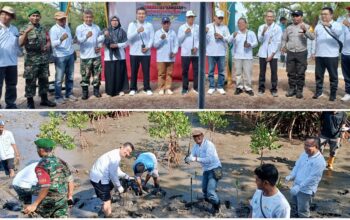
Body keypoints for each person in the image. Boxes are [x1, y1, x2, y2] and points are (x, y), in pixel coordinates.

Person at [23, 138, 74, 218]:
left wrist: (35, 204)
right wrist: (70, 196)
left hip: (48, 202)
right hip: (62, 200)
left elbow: (45, 186)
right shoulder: (61, 161)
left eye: (37, 149)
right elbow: (70, 180)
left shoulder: (42, 165)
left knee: (34, 214)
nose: (37, 151)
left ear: (41, 150)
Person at [19, 9, 56, 109]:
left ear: (40, 17)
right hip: (31, 61)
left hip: (43, 59)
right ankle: (30, 102)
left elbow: (48, 39)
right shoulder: (24, 28)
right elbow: (21, 43)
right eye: (33, 15)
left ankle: (44, 100)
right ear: (29, 17)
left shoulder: (43, 28)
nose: (35, 18)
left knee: (44, 80)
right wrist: (26, 33)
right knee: (30, 81)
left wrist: (48, 45)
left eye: (37, 16)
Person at [89, 142, 134, 217]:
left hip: (100, 176)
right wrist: (119, 186)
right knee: (107, 202)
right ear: (122, 147)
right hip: (99, 179)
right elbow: (113, 174)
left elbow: (116, 170)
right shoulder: (115, 157)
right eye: (127, 150)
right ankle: (108, 214)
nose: (128, 154)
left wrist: (126, 176)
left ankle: (105, 206)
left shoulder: (116, 154)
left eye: (130, 152)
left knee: (110, 187)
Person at [285, 137, 326, 218]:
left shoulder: (320, 161)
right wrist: (291, 175)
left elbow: (312, 178)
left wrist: (299, 187)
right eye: (305, 145)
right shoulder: (304, 154)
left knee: (303, 210)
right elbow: (297, 166)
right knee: (294, 206)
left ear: (316, 146)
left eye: (309, 146)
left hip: (306, 190)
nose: (306, 148)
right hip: (296, 185)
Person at [185, 129, 222, 214]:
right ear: (194, 138)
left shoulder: (209, 145)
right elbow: (192, 155)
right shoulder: (195, 146)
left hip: (216, 169)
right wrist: (188, 158)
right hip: (206, 170)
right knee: (204, 190)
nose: (197, 138)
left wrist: (195, 159)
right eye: (195, 137)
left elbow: (209, 160)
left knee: (210, 192)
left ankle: (217, 207)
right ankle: (209, 202)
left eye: (199, 136)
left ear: (202, 136)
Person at [281, 10, 315, 99]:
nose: (295, 17)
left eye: (297, 16)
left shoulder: (308, 26)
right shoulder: (288, 28)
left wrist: (305, 30)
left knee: (300, 73)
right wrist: (283, 46)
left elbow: (313, 37)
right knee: (291, 72)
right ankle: (292, 89)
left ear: (301, 17)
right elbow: (284, 39)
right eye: (294, 16)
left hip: (302, 53)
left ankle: (299, 90)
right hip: (291, 52)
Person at [311, 7, 343, 101]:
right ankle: (319, 92)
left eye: (325, 14)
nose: (323, 16)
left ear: (331, 15)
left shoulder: (337, 25)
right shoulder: (318, 26)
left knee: (333, 76)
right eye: (322, 14)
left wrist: (329, 26)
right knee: (318, 75)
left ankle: (333, 94)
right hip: (319, 55)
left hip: (332, 55)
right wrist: (313, 52)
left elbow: (338, 33)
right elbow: (315, 40)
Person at [49, 11, 77, 105]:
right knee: (59, 79)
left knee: (70, 76)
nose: (63, 20)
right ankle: (58, 97)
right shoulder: (53, 29)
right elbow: (52, 44)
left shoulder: (67, 27)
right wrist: (61, 39)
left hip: (70, 54)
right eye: (61, 19)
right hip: (60, 56)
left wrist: (74, 40)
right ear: (56, 19)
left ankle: (68, 94)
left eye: (64, 18)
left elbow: (69, 41)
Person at [76, 9, 104, 100]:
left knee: (97, 74)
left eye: (90, 17)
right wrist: (86, 36)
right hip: (85, 56)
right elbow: (78, 41)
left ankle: (96, 91)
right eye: (86, 17)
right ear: (83, 18)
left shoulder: (96, 27)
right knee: (85, 75)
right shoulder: (79, 28)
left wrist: (99, 46)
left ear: (93, 18)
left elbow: (100, 39)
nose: (88, 19)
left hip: (96, 55)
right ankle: (85, 92)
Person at [127, 7, 154, 96]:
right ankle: (133, 88)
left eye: (143, 13)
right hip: (134, 52)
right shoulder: (132, 24)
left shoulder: (149, 25)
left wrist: (148, 47)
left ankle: (147, 88)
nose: (141, 15)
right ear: (136, 15)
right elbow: (129, 37)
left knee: (146, 71)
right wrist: (137, 31)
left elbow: (152, 38)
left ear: (145, 15)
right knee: (134, 71)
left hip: (145, 52)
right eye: (139, 13)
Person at [229, 17, 258, 96]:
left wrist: (250, 45)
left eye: (242, 23)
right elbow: (229, 41)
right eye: (239, 23)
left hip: (248, 57)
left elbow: (256, 43)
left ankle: (248, 88)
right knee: (238, 73)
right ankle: (239, 87)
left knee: (247, 73)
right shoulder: (235, 33)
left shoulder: (251, 33)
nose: (240, 24)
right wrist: (233, 36)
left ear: (246, 24)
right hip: (237, 56)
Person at [257, 10, 283, 97]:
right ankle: (261, 88)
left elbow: (278, 42)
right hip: (263, 53)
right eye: (268, 16)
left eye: (271, 16)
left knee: (274, 72)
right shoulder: (261, 27)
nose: (269, 18)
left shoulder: (278, 28)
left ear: (274, 18)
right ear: (265, 17)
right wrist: (263, 32)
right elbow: (260, 40)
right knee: (262, 72)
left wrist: (271, 55)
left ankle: (274, 89)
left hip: (273, 54)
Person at [206, 10, 230, 95]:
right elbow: (203, 40)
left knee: (221, 71)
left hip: (221, 53)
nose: (220, 20)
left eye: (221, 18)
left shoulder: (225, 27)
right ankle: (212, 87)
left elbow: (229, 39)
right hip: (211, 53)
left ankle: (220, 87)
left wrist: (222, 37)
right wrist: (204, 33)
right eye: (218, 18)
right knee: (211, 71)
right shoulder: (208, 26)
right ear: (214, 17)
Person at [103, 16, 129, 97]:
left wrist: (117, 45)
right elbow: (100, 41)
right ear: (110, 22)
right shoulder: (105, 31)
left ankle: (120, 90)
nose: (114, 22)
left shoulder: (122, 31)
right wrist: (105, 35)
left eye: (116, 20)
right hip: (109, 57)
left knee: (119, 74)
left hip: (120, 56)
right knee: (110, 74)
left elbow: (126, 43)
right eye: (113, 20)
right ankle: (110, 91)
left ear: (118, 22)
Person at [0, 6, 19, 109]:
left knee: (11, 85)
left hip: (12, 62)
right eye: (2, 14)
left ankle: (10, 104)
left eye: (7, 14)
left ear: (11, 17)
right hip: (0, 63)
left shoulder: (14, 29)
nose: (4, 16)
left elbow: (17, 44)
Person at [153, 17, 178, 95]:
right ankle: (161, 88)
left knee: (169, 74)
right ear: (162, 24)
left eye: (167, 23)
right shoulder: (158, 33)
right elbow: (155, 45)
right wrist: (161, 39)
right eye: (164, 23)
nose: (166, 24)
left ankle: (168, 88)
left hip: (171, 57)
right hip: (161, 57)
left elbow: (176, 44)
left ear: (170, 24)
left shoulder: (173, 32)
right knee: (161, 74)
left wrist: (174, 52)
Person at [178, 10, 199, 95]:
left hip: (195, 53)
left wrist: (196, 47)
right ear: (186, 18)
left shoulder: (197, 27)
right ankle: (185, 88)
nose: (191, 19)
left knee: (196, 71)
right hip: (185, 53)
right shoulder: (182, 27)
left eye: (192, 17)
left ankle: (196, 87)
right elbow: (179, 40)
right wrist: (185, 33)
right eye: (189, 17)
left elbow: (199, 39)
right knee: (185, 71)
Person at [341, 6, 350, 102]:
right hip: (345, 53)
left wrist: (349, 25)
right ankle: (348, 93)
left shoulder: (347, 23)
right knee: (347, 76)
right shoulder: (344, 22)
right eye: (349, 10)